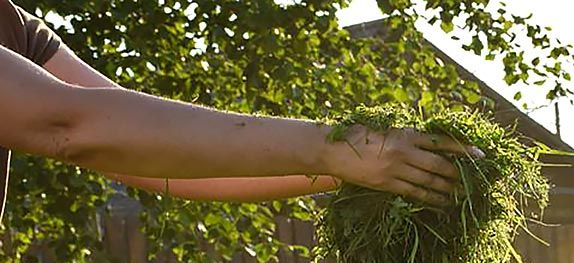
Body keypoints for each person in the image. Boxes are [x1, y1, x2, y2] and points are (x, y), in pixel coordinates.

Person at [0, 0, 478, 221]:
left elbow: (148, 155)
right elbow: (68, 125)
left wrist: (357, 165)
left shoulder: (14, 26)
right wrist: (335, 148)